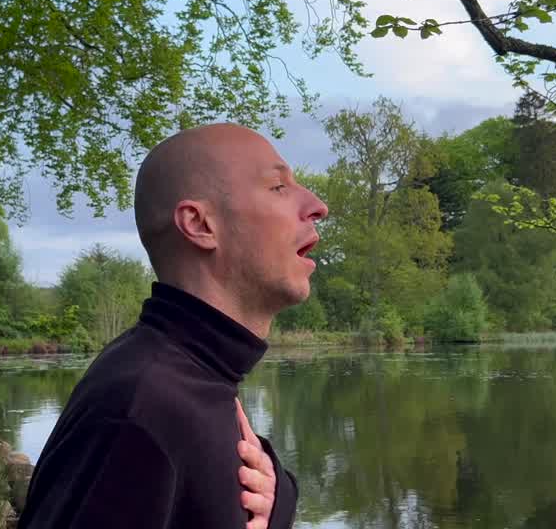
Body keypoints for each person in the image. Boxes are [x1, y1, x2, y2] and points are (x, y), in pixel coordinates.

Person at [18, 123, 329, 529]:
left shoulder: (195, 379)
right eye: (278, 187)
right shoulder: (142, 409)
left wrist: (278, 501)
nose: (318, 206)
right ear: (199, 225)